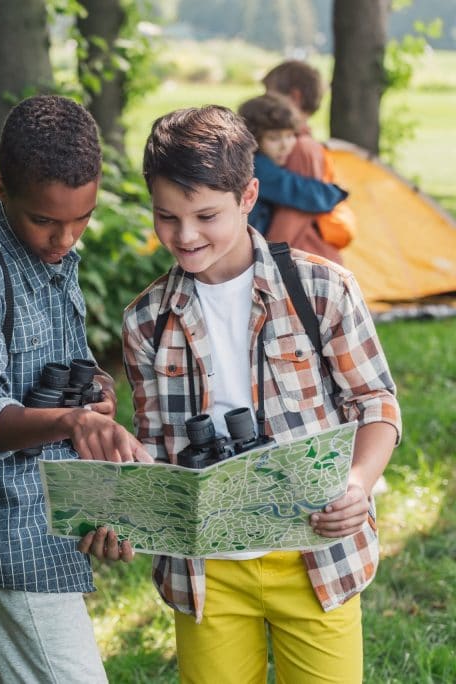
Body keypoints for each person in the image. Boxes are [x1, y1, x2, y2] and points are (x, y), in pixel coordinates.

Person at [119, 105, 401, 683]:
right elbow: (153, 447)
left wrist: (358, 483)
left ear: (249, 196)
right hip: (207, 572)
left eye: (205, 215)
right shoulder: (145, 321)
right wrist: (121, 509)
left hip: (316, 557)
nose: (185, 236)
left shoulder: (321, 288)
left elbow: (376, 404)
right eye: (166, 217)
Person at [0, 94, 152, 683]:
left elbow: (73, 360)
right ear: (0, 188)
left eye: (82, 218)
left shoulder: (57, 259)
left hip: (60, 511)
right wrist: (69, 422)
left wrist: (96, 394)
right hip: (11, 526)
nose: (66, 238)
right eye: (47, 220)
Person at [237, 92, 348, 263]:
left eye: (289, 136)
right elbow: (296, 190)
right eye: (274, 138)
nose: (285, 146)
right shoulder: (256, 166)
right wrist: (333, 193)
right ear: (253, 140)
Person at [262, 60, 353, 263]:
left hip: (305, 263)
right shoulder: (300, 144)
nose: (263, 103)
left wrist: (263, 264)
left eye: (269, 94)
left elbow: (292, 216)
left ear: (294, 97)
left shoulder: (301, 148)